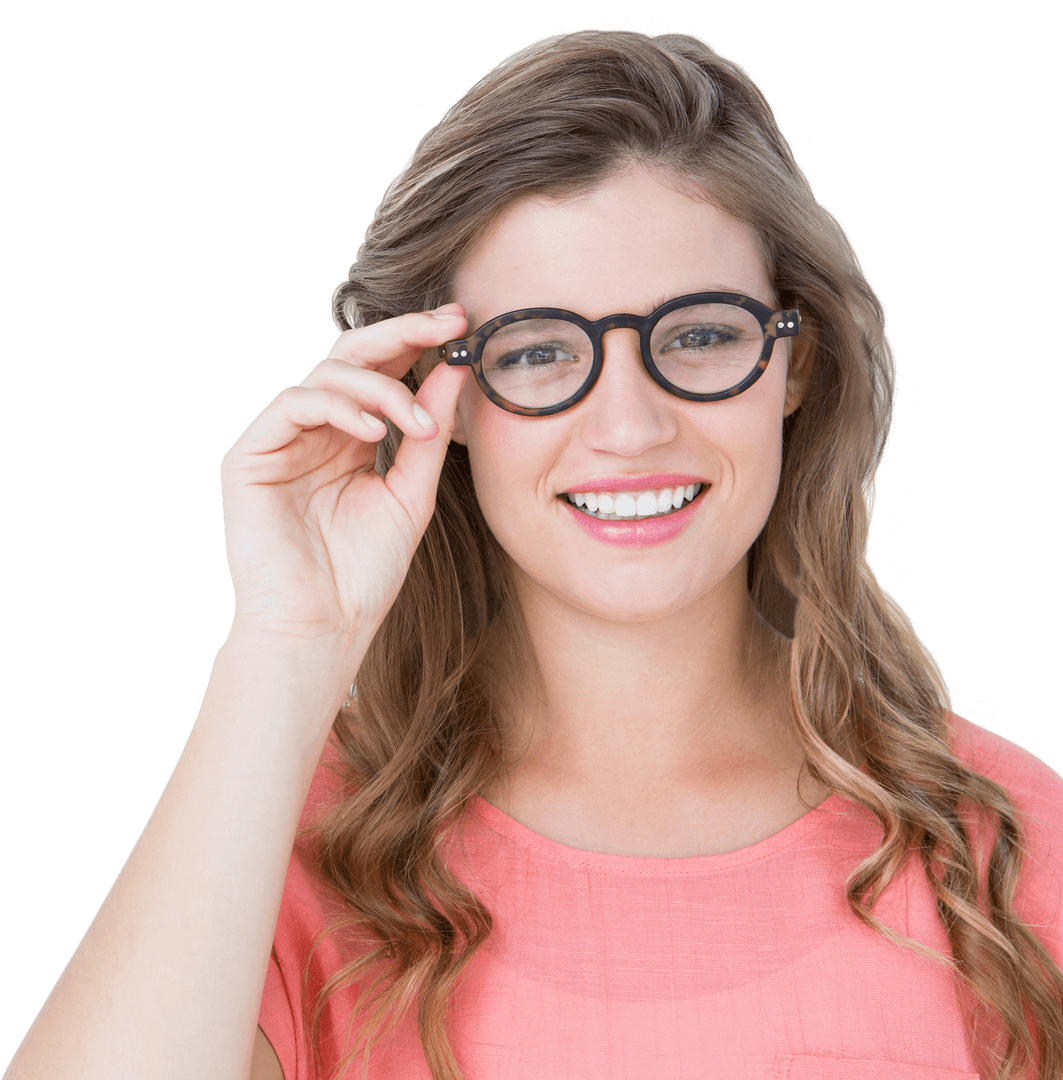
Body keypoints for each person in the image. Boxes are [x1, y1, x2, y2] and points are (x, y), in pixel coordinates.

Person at [5, 26, 1062, 1080]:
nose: (630, 426)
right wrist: (285, 647)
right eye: (540, 351)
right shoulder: (274, 857)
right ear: (439, 397)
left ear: (794, 364)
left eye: (698, 333)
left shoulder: (1007, 848)